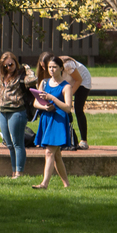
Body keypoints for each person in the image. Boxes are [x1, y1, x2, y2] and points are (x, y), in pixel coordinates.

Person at [30, 56, 74, 190]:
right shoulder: (44, 83)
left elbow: (67, 108)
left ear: (61, 68)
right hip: (47, 118)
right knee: (57, 155)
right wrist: (45, 107)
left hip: (59, 120)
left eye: (54, 67)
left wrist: (52, 98)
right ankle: (66, 184)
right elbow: (35, 102)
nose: (52, 70)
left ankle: (44, 184)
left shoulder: (66, 86)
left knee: (49, 152)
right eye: (49, 67)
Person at [0, 53, 34, 178]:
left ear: (16, 63)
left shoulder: (22, 76)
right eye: (5, 66)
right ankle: (13, 171)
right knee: (9, 144)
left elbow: (32, 81)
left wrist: (28, 69)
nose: (8, 68)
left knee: (17, 143)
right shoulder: (3, 76)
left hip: (17, 112)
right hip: (3, 112)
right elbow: (2, 92)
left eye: (11, 64)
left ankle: (19, 172)